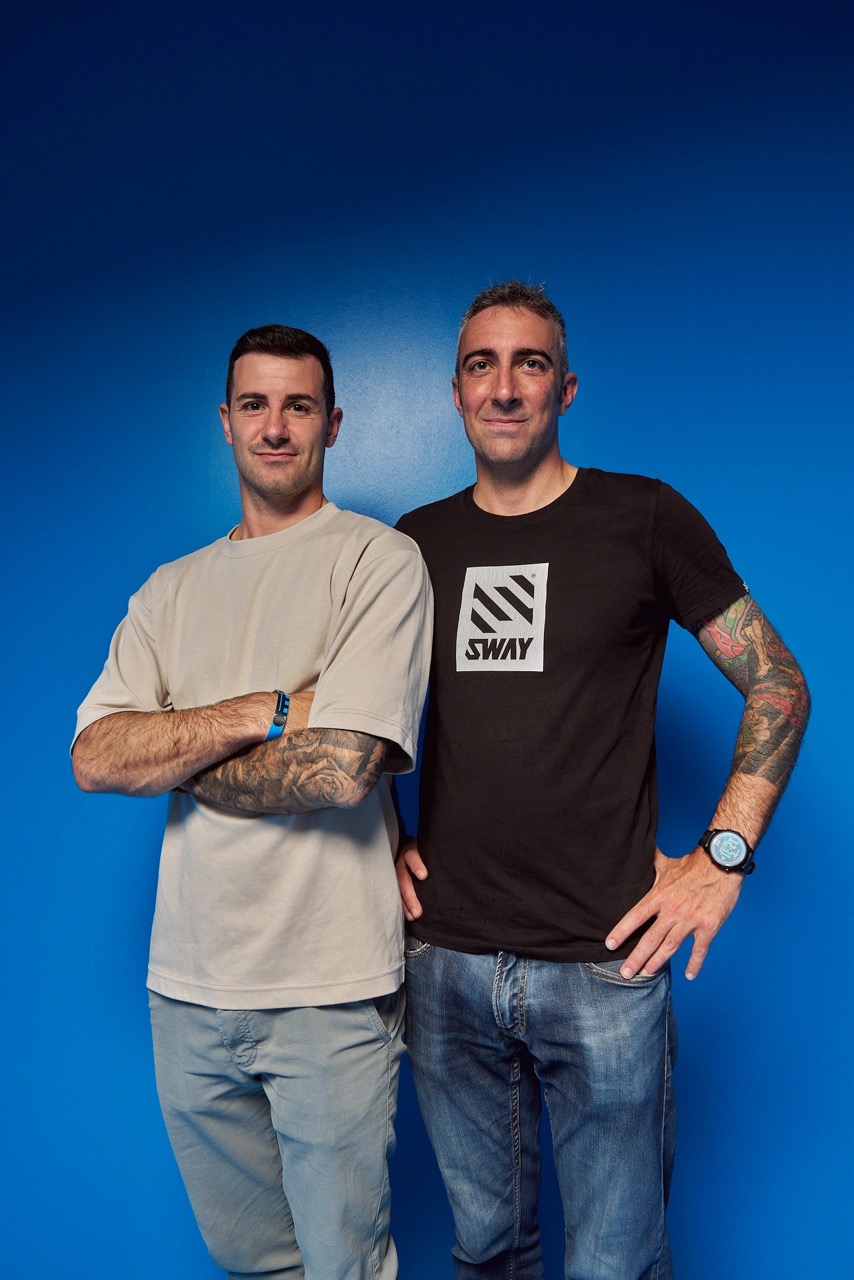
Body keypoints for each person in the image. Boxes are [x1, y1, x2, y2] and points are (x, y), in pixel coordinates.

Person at [395, 281, 809, 1280]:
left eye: (529, 364)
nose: (504, 387)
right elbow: (359, 718)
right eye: (482, 365)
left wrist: (721, 856)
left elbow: (777, 684)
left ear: (565, 388)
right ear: (455, 391)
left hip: (604, 964)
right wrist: (378, 835)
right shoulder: (413, 543)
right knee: (485, 1252)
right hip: (445, 964)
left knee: (616, 1265)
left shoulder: (643, 516)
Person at [72, 324, 432, 1280]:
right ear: (225, 422)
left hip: (328, 986)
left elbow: (340, 772)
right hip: (187, 988)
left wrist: (172, 746)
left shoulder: (377, 561)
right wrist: (267, 709)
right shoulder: (168, 591)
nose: (276, 428)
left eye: (298, 406)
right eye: (255, 405)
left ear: (333, 423)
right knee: (252, 1264)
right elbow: (96, 758)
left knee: (344, 1265)